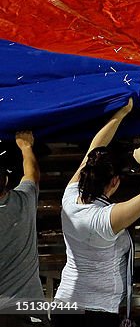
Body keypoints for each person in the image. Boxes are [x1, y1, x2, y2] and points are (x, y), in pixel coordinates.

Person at [54, 99, 140, 327]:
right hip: (95, 312)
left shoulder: (71, 196)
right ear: (114, 182)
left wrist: (120, 114)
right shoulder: (103, 219)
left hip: (67, 304)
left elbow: (94, 148)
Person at [0, 131, 46, 327]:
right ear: (7, 181)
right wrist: (26, 147)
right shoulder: (22, 201)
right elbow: (32, 175)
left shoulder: (23, 201)